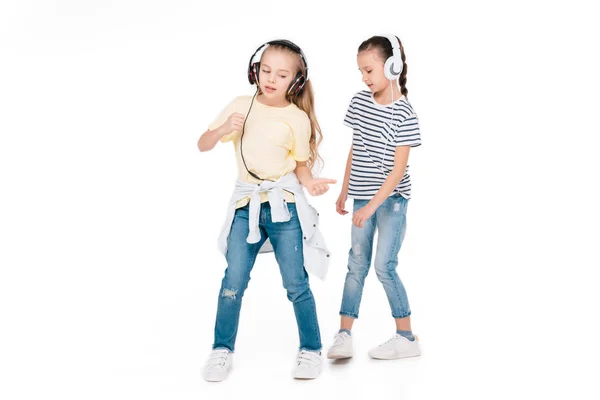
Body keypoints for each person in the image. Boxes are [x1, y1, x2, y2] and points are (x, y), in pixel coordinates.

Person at [197, 39, 335, 381]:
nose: (271, 78)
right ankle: (221, 350)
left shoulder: (297, 118)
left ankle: (311, 349)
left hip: (283, 206)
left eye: (282, 74)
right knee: (233, 281)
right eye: (265, 70)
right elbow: (203, 143)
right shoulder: (241, 105)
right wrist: (223, 129)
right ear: (253, 70)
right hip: (247, 207)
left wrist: (311, 183)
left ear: (296, 81)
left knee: (295, 282)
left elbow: (301, 167)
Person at [326, 35, 422, 361]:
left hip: (391, 201)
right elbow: (356, 147)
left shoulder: (405, 113)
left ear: (392, 66)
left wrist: (370, 206)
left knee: (384, 265)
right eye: (361, 72)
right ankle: (343, 334)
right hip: (362, 198)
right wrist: (345, 190)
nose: (365, 78)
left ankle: (406, 338)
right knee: (356, 263)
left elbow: (397, 172)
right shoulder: (359, 102)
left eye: (369, 70)